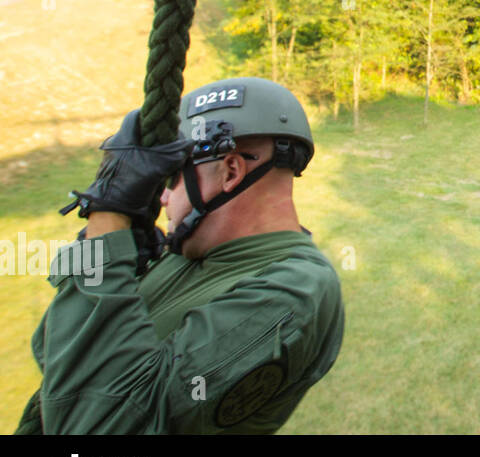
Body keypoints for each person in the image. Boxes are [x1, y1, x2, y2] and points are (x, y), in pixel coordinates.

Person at [15, 76, 344, 434]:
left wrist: (109, 214)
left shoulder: (293, 292)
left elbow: (96, 435)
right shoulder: (185, 253)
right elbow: (51, 351)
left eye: (172, 179)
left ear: (231, 171)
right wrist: (117, 256)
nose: (163, 198)